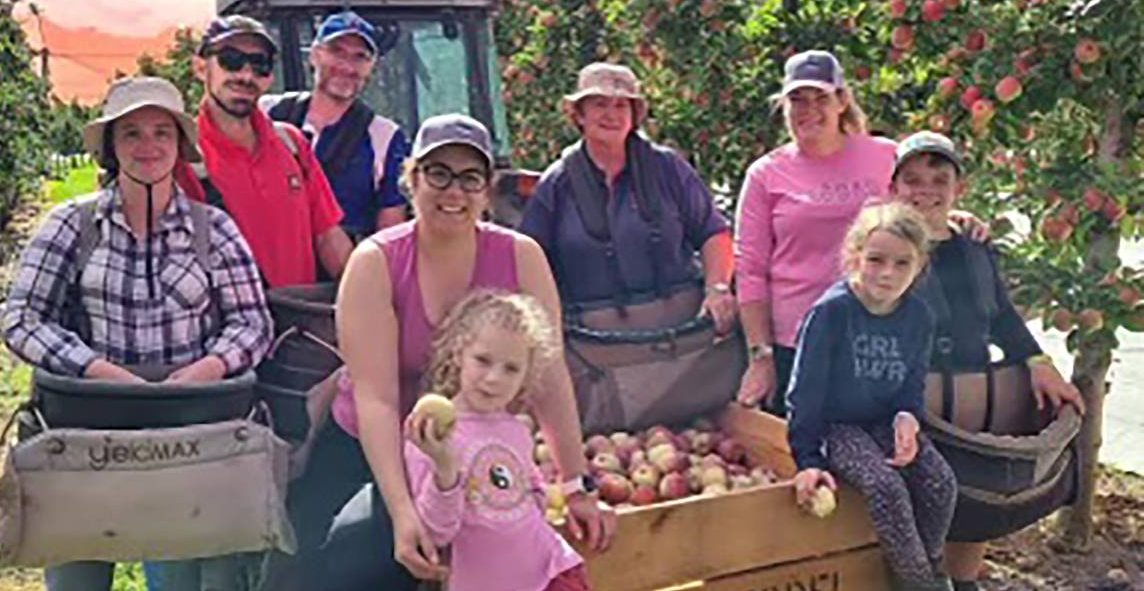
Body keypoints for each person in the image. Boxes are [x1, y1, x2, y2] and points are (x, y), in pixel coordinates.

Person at [278, 114, 611, 591]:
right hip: (372, 444)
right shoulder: (376, 262)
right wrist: (402, 511)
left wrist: (576, 483)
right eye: (438, 173)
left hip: (476, 442)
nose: (453, 191)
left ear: (486, 190)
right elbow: (378, 399)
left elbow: (550, 375)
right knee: (327, 563)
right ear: (412, 178)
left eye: (469, 178)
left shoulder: (521, 257)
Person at [0, 76, 273, 591]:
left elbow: (253, 322)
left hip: (184, 436)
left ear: (179, 146)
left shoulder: (212, 229)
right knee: (77, 567)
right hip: (87, 435)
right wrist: (96, 370)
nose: (147, 146)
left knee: (175, 571)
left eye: (160, 133)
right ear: (110, 147)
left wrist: (206, 369)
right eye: (130, 134)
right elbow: (22, 317)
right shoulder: (72, 225)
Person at [734, 50, 986, 416]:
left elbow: (919, 199)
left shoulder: (884, 155)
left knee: (874, 453)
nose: (809, 109)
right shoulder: (766, 174)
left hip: (878, 337)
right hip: (798, 341)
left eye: (821, 98)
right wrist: (760, 355)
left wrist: (955, 216)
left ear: (842, 101)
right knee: (805, 454)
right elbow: (749, 269)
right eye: (797, 100)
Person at [889, 132, 1085, 591]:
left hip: (973, 395)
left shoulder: (975, 246)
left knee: (972, 505)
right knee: (920, 514)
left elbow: (1001, 315)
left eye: (939, 178)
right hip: (916, 401)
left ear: (961, 186)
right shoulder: (887, 249)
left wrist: (1037, 360)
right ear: (894, 188)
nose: (926, 190)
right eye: (912, 179)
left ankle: (965, 582)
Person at [787, 201, 958, 591]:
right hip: (838, 426)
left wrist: (908, 416)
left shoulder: (919, 316)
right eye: (876, 259)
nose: (887, 273)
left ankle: (926, 570)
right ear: (855, 256)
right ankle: (919, 584)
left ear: (919, 266)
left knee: (940, 483)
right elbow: (805, 393)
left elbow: (912, 382)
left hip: (883, 421)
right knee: (885, 487)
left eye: (902, 264)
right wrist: (807, 459)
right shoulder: (832, 313)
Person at [519, 62, 735, 331]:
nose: (611, 114)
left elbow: (713, 233)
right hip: (592, 342)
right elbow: (527, 259)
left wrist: (717, 290)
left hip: (684, 333)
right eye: (599, 104)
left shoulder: (669, 168)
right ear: (579, 115)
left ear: (634, 115)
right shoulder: (556, 183)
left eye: (621, 105)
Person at [405, 289, 590, 591]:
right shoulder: (431, 432)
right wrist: (444, 467)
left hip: (551, 572)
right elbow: (436, 532)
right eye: (483, 360)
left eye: (511, 369)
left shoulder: (515, 429)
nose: (493, 379)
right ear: (458, 353)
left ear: (526, 376)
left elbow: (534, 492)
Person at [176, 15, 353, 287]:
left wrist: (366, 298)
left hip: (298, 320)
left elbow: (328, 236)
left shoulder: (291, 144)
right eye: (231, 61)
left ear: (269, 77)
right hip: (226, 325)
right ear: (201, 68)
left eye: (260, 65)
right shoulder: (182, 157)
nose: (246, 76)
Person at [262, 11, 411, 240]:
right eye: (337, 52)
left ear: (371, 67)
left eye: (359, 57)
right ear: (314, 56)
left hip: (342, 270)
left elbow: (389, 234)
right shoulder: (268, 113)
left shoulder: (385, 138)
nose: (347, 67)